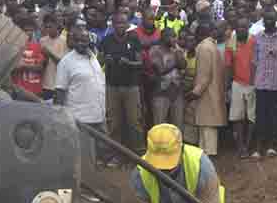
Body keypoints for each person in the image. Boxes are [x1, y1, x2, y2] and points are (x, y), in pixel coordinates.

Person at [53, 25, 107, 193]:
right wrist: (62, 118)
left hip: (98, 115)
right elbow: (60, 91)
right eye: (79, 40)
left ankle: (91, 183)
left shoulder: (92, 56)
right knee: (85, 158)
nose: (83, 43)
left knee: (97, 154)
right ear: (72, 42)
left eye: (85, 39)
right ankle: (87, 190)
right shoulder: (66, 62)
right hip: (80, 119)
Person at [99, 12, 146, 165]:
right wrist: (105, 60)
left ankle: (138, 156)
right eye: (117, 23)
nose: (120, 25)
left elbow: (140, 63)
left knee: (134, 122)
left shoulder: (134, 39)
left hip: (131, 87)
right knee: (114, 123)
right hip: (112, 86)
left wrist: (129, 63)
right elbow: (98, 62)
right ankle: (116, 155)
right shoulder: (106, 41)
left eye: (123, 23)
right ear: (113, 25)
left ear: (127, 25)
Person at [251, 8, 277, 156]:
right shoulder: (258, 37)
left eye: (271, 19)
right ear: (263, 20)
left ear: (276, 20)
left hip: (276, 84)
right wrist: (254, 81)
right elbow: (254, 61)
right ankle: (258, 147)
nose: (269, 22)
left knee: (274, 116)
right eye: (266, 19)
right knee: (260, 116)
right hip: (261, 83)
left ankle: (272, 146)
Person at [187, 20, 226, 156]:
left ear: (199, 34)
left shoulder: (204, 48)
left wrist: (194, 93)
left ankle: (209, 158)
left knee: (207, 127)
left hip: (206, 93)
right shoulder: (212, 46)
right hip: (213, 92)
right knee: (207, 126)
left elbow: (204, 76)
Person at [225, 14, 257, 158]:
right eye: (238, 27)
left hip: (253, 84)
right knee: (238, 118)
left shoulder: (255, 41)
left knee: (251, 117)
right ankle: (240, 146)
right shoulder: (231, 43)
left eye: (244, 27)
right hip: (237, 83)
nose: (241, 29)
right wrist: (228, 86)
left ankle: (248, 145)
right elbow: (228, 65)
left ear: (249, 27)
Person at [149, 27, 186, 131]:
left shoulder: (177, 49)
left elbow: (183, 65)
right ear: (164, 37)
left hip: (177, 93)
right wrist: (176, 61)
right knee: (160, 127)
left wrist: (178, 52)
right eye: (172, 36)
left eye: (175, 36)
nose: (175, 39)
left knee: (177, 127)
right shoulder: (155, 50)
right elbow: (160, 70)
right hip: (161, 93)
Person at [39, 12, 68, 101]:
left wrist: (50, 54)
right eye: (46, 27)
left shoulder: (65, 41)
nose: (48, 29)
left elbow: (63, 65)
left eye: (50, 26)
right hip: (45, 84)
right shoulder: (42, 41)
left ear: (56, 25)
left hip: (58, 85)